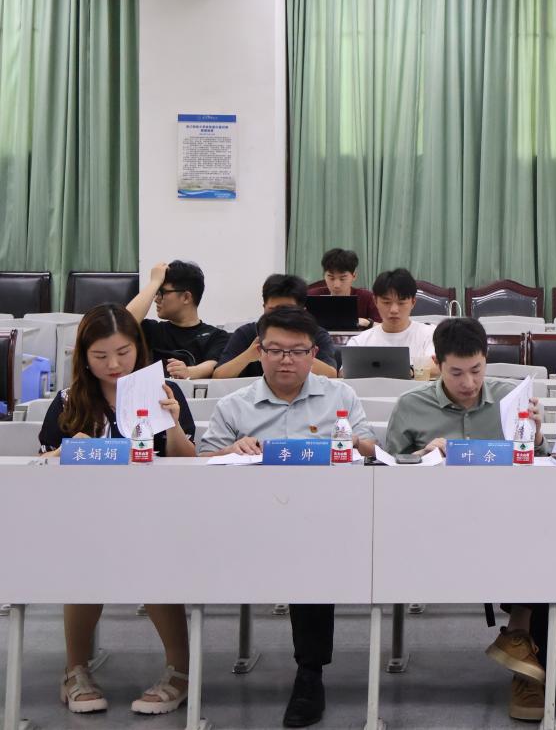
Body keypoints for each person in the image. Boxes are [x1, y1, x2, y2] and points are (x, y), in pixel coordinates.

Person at [199, 306, 375, 728]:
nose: (286, 360)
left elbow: (370, 449)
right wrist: (231, 450)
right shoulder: (235, 405)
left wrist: (354, 445)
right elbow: (203, 460)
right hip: (247, 524)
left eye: (297, 351)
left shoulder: (340, 397)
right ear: (259, 351)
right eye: (275, 350)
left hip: (322, 522)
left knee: (312, 555)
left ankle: (309, 674)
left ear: (313, 353)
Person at [384, 317, 547, 719]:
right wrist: (423, 456)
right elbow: (387, 473)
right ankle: (522, 647)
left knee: (545, 539)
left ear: (486, 359)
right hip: (433, 524)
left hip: (506, 522)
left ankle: (522, 642)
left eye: (477, 370)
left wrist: (537, 437)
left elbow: (542, 466)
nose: (469, 383)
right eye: (456, 373)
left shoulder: (510, 399)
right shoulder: (411, 406)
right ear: (437, 364)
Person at [38, 304, 196, 717]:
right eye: (101, 356)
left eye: (123, 353)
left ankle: (179, 671)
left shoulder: (164, 391)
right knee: (86, 564)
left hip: (156, 515)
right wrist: (67, 451)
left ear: (138, 349)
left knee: (153, 562)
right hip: (87, 517)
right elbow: (44, 464)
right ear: (83, 357)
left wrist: (173, 425)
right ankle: (75, 669)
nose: (114, 365)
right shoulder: (69, 401)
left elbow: (188, 461)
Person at [214, 274, 339, 379]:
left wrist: (301, 354)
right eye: (273, 311)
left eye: (287, 310)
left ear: (303, 311)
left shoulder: (315, 334)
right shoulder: (246, 333)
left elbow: (331, 375)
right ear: (264, 308)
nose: (280, 317)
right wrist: (249, 355)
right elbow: (218, 376)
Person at [126, 260, 229, 379]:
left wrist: (189, 372)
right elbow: (122, 322)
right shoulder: (152, 330)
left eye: (162, 292)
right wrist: (154, 282)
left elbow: (213, 364)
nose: (156, 299)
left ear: (186, 297)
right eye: (156, 292)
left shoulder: (216, 336)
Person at [344, 268, 437, 379]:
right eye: (386, 302)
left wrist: (411, 370)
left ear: (413, 302)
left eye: (401, 303)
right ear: (375, 301)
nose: (394, 310)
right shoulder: (360, 341)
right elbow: (344, 372)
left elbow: (438, 366)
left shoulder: (430, 334)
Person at [307, 247, 381, 328]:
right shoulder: (311, 295)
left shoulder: (367, 297)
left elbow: (383, 327)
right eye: (331, 278)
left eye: (342, 278)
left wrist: (368, 323)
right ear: (324, 276)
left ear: (354, 276)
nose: (336, 285)